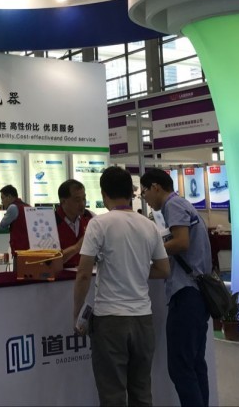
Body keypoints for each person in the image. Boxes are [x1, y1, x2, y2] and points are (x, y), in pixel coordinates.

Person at [74, 166, 169, 406]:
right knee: (142, 392)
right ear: (131, 192)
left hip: (110, 320)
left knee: (112, 395)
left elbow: (84, 273)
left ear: (104, 193)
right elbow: (163, 269)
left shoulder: (99, 224)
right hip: (143, 319)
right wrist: (136, 270)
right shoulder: (149, 225)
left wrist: (77, 313)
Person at [140, 167, 212, 407]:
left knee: (181, 366)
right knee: (194, 363)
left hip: (186, 293)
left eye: (144, 192)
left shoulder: (173, 205)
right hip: (197, 294)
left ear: (155, 187)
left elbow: (181, 242)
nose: (145, 199)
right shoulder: (183, 204)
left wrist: (151, 251)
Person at [55, 179, 94, 267]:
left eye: (84, 199)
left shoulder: (90, 217)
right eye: (77, 200)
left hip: (87, 273)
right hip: (60, 274)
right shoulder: (51, 222)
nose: (82, 204)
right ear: (63, 201)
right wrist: (76, 247)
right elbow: (48, 261)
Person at [0, 185, 31, 255]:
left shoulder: (12, 207)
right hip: (30, 249)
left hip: (19, 251)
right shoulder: (28, 206)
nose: (2, 202)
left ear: (9, 197)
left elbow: (2, 226)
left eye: (2, 198)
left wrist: (7, 214)